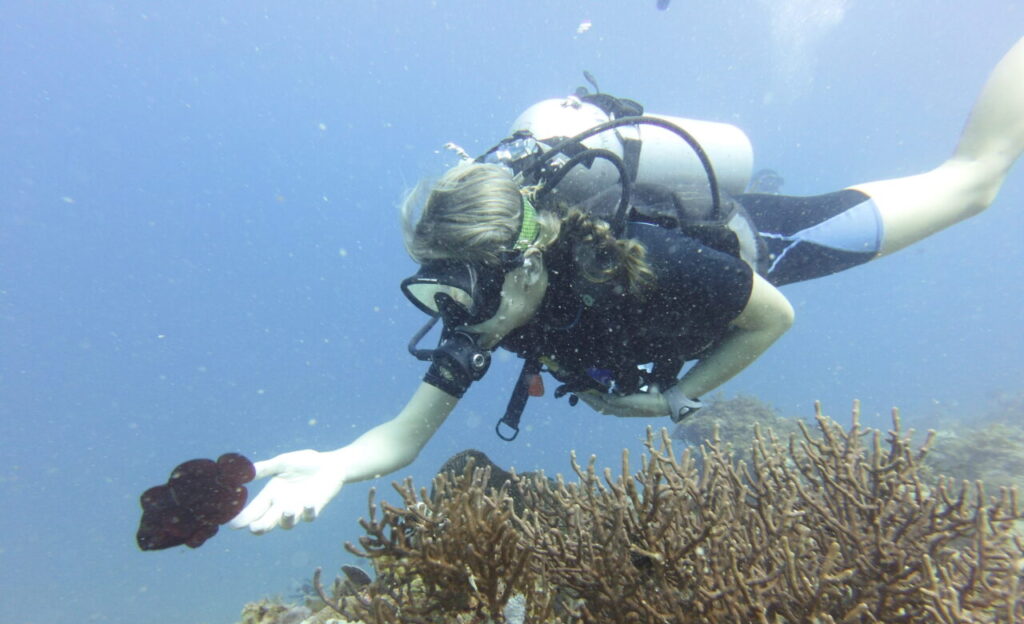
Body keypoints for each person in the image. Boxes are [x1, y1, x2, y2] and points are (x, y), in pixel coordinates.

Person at [230, 37, 1024, 535]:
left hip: (759, 251)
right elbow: (401, 441)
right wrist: (334, 463)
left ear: (527, 257)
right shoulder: (486, 307)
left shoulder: (642, 258)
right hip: (668, 288)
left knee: (973, 183)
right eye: (446, 287)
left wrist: (675, 400)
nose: (463, 318)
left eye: (472, 287)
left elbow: (772, 318)